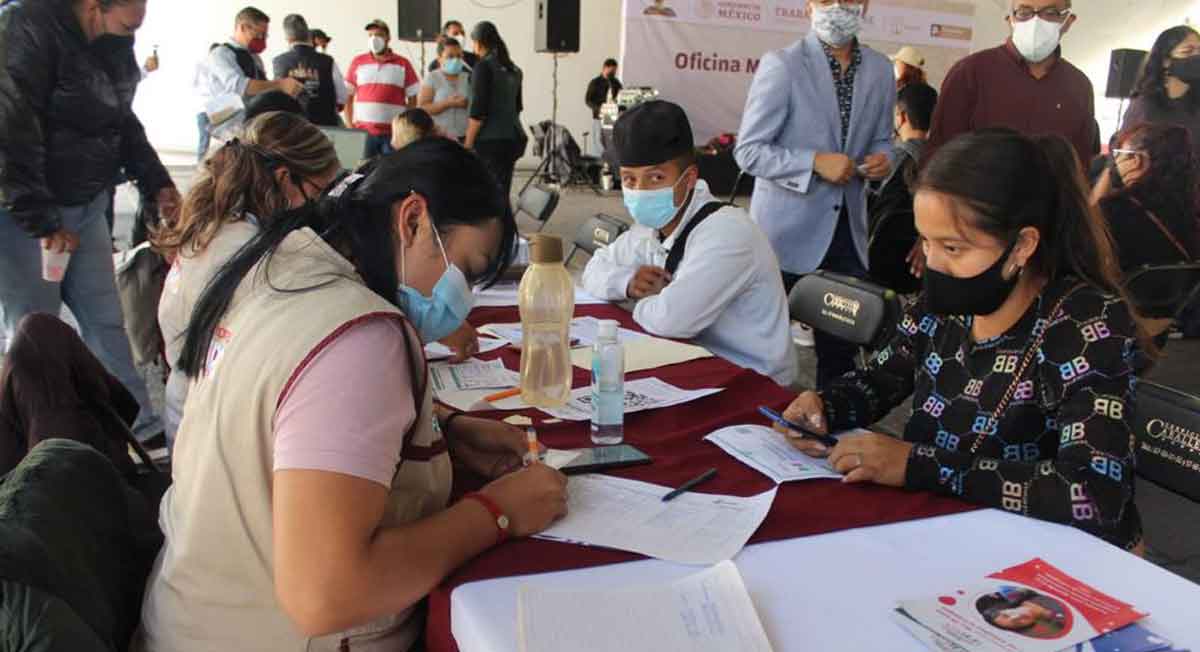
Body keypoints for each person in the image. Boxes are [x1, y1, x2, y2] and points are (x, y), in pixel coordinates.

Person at [137, 138, 567, 652]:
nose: (464, 300)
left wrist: (444, 430)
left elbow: (287, 419)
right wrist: (499, 512)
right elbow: (328, 595)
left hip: (192, 617)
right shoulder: (359, 337)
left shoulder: (278, 268)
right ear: (411, 220)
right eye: (466, 271)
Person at [780, 128, 1149, 551]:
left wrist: (916, 465)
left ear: (1022, 246)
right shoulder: (940, 306)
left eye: (953, 248)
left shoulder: (1086, 323)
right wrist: (827, 405)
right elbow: (882, 379)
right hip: (950, 528)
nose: (931, 264)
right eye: (925, 241)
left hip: (1058, 557)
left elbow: (1091, 493)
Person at [0, 0, 182, 445]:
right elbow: (9, 126)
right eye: (128, 18)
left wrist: (154, 180)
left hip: (85, 202)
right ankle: (36, 439)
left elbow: (120, 119)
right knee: (34, 329)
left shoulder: (114, 39)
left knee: (105, 318)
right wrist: (41, 219)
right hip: (24, 211)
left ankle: (136, 425)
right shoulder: (26, 28)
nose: (134, 29)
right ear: (93, 6)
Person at [153, 112, 343, 444]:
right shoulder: (248, 253)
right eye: (320, 191)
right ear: (285, 179)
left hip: (192, 408)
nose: (320, 204)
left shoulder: (218, 223)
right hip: (210, 431)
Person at [734, 0, 895, 387]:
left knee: (841, 354)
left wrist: (883, 161)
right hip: (784, 236)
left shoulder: (879, 69)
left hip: (847, 233)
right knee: (760, 352)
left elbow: (883, 139)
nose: (838, 6)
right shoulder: (784, 65)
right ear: (810, 5)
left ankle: (833, 429)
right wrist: (813, 162)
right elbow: (749, 151)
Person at [581, 101, 798, 387]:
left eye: (656, 177)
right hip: (692, 361)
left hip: (753, 381)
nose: (640, 191)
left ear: (690, 178)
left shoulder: (727, 233)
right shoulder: (650, 226)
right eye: (629, 179)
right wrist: (627, 283)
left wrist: (635, 303)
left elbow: (671, 321)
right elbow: (593, 270)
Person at [925, 0, 1097, 165]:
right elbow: (938, 156)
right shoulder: (970, 73)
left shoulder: (1079, 86)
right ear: (1010, 20)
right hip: (976, 194)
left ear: (1068, 21)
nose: (1035, 22)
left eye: (1050, 13)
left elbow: (1080, 167)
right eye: (1024, 12)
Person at [1090, 123, 1197, 272]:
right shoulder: (1191, 213)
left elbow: (1084, 234)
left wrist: (1108, 172)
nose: (1115, 163)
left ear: (1135, 160)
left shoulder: (1114, 210)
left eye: (1117, 154)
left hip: (1129, 295)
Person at [867, 82, 938, 293]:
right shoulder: (942, 162)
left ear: (901, 116)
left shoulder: (888, 161)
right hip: (919, 272)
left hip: (877, 268)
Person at [1121, 26, 1200, 165]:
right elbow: (1127, 158)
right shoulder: (1144, 106)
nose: (1196, 57)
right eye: (1188, 51)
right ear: (1166, 60)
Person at [465, 21, 527, 196]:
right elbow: (517, 108)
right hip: (512, 138)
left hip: (490, 141)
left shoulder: (483, 67)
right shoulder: (514, 69)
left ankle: (501, 223)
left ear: (478, 42)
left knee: (489, 195)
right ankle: (505, 222)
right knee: (502, 191)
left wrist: (468, 144)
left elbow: (478, 112)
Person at [346, 19, 421, 158]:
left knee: (392, 173)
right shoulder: (358, 62)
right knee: (362, 174)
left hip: (392, 135)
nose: (374, 39)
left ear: (388, 37)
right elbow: (348, 96)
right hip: (364, 133)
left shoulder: (403, 63)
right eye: (370, 35)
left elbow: (413, 98)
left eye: (379, 35)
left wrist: (405, 128)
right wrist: (349, 125)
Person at [202, 7, 304, 109]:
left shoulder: (255, 58)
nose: (262, 40)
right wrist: (280, 85)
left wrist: (286, 88)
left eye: (265, 36)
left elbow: (263, 86)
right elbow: (238, 86)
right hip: (228, 121)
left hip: (253, 117)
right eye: (259, 34)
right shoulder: (220, 54)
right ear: (243, 28)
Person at [272, 14, 347, 127]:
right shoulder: (328, 61)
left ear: (287, 38)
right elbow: (342, 97)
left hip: (290, 129)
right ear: (308, 35)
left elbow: (275, 99)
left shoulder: (278, 62)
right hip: (324, 128)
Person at [419, 36, 471, 141]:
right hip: (439, 136)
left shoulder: (468, 77)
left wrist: (467, 104)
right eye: (450, 56)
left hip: (464, 136)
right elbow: (423, 108)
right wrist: (448, 103)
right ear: (439, 58)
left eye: (459, 56)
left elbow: (476, 107)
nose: (456, 60)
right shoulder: (432, 77)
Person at [586, 58, 623, 155]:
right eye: (611, 71)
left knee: (610, 142)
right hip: (599, 117)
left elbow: (621, 98)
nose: (613, 74)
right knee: (598, 141)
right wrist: (600, 109)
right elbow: (588, 100)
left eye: (615, 71)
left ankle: (609, 163)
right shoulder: (595, 83)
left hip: (612, 118)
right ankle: (600, 162)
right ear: (605, 68)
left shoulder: (616, 83)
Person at [193, 43, 221, 162]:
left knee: (225, 136)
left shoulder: (220, 67)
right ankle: (201, 169)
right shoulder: (201, 65)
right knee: (205, 139)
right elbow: (192, 84)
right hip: (206, 107)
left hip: (216, 107)